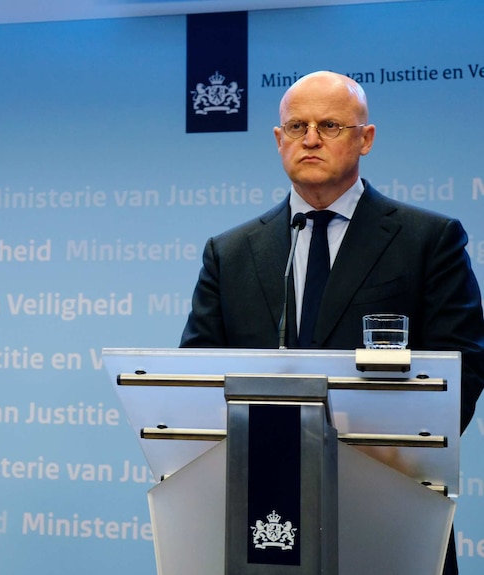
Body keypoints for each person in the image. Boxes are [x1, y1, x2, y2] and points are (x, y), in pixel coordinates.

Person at [180, 70, 484, 575]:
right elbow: (198, 375)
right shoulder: (230, 253)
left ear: (366, 138)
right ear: (279, 141)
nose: (311, 139)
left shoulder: (428, 240)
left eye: (331, 126)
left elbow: (465, 368)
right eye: (297, 126)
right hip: (264, 508)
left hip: (391, 505)